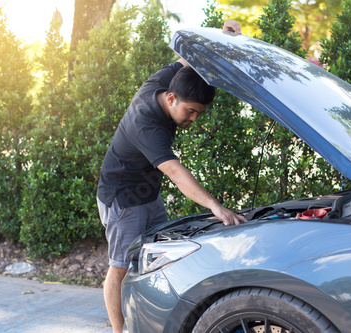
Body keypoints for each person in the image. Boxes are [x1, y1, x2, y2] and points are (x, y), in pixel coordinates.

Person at [96, 19, 246, 333]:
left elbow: (185, 59)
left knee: (154, 259)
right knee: (120, 268)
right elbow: (177, 173)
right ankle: (119, 331)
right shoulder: (147, 126)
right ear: (172, 99)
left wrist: (222, 36)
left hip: (147, 193)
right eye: (190, 111)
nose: (192, 119)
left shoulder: (166, 82)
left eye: (199, 113)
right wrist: (216, 207)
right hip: (123, 200)